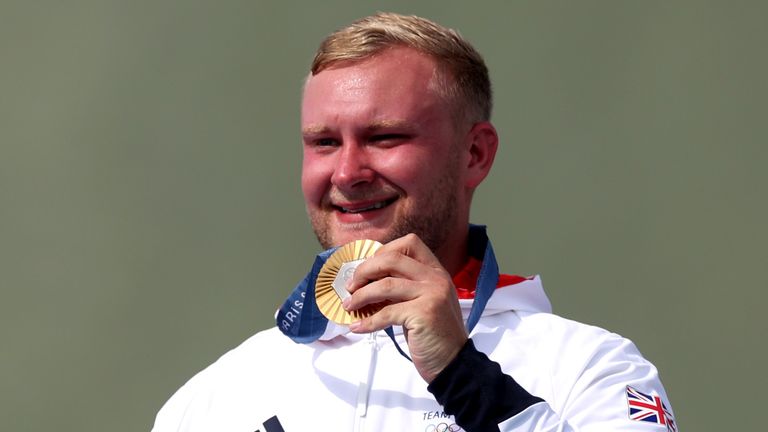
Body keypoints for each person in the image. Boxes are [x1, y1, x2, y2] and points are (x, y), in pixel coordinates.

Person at [153, 12, 676, 432]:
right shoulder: (215, 399)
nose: (348, 172)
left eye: (385, 138)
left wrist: (460, 373)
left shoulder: (588, 370)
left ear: (474, 153)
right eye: (324, 143)